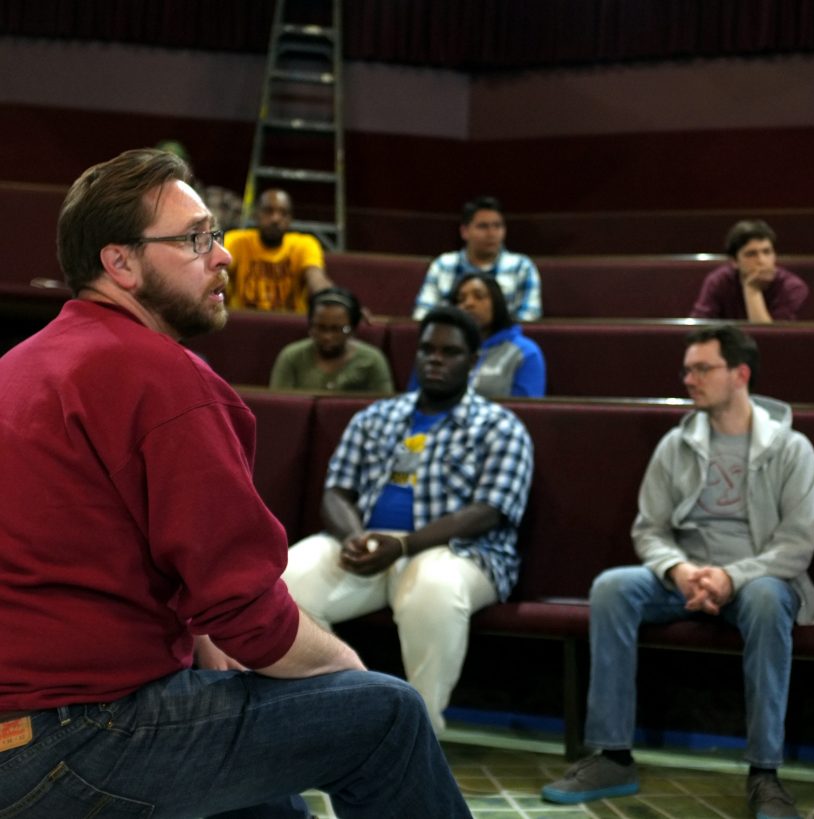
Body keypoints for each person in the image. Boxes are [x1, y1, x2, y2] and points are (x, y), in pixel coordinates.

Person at [0, 148, 470, 818]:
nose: (223, 256)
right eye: (195, 239)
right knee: (385, 713)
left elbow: (118, 556)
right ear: (120, 263)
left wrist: (203, 637)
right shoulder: (162, 377)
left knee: (271, 807)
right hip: (78, 737)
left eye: (216, 235)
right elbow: (249, 611)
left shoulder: (22, 364)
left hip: (20, 736)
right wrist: (345, 669)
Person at [541, 325, 814, 819]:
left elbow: (795, 546)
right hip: (686, 578)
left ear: (740, 374)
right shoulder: (677, 444)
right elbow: (649, 529)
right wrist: (681, 571)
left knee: (764, 599)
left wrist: (731, 577)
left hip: (758, 580)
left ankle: (765, 774)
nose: (689, 378)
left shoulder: (791, 448)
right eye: (687, 369)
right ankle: (613, 755)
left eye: (701, 368)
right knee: (612, 589)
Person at [283, 305, 534, 733]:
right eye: (427, 350)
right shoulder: (376, 417)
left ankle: (420, 732)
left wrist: (403, 545)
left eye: (450, 352)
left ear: (473, 362)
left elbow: (487, 512)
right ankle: (346, 716)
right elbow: (338, 491)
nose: (435, 359)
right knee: (284, 582)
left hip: (457, 552)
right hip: (368, 541)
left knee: (433, 591)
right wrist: (353, 536)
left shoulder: (499, 427)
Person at [407, 272, 546, 398]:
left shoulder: (525, 352)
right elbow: (414, 399)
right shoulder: (438, 348)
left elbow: (526, 411)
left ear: (497, 303)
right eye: (461, 299)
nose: (469, 304)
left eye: (479, 297)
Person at [413, 195, 542, 321]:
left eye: (497, 226)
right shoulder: (442, 265)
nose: (491, 233)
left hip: (504, 341)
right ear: (465, 231)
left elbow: (529, 317)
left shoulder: (522, 267)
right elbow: (423, 314)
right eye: (483, 226)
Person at [225, 188, 334, 312]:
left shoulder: (304, 244)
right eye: (268, 211)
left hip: (289, 324)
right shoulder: (236, 241)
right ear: (256, 214)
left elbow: (317, 279)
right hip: (244, 323)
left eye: (283, 213)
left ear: (290, 219)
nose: (275, 219)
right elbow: (218, 274)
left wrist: (333, 299)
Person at [270, 285, 394, 392]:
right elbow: (278, 407)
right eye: (320, 327)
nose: (327, 336)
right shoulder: (291, 357)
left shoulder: (372, 360)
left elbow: (385, 408)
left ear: (352, 329)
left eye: (336, 329)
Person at [690, 220, 809, 322]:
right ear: (735, 261)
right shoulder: (718, 281)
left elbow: (773, 340)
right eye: (751, 254)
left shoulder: (792, 287)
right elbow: (700, 327)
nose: (761, 260)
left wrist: (752, 290)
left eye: (767, 252)